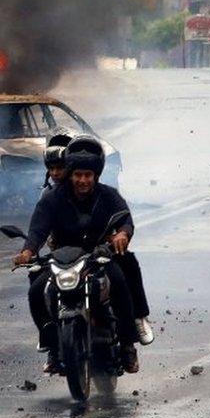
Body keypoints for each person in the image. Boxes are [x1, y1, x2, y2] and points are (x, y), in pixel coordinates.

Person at [14, 136, 146, 374]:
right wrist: (27, 251)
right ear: (70, 174)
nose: (82, 180)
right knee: (36, 290)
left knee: (119, 282)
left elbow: (125, 219)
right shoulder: (53, 198)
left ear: (96, 175)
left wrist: (122, 235)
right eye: (78, 175)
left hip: (99, 256)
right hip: (62, 259)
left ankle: (127, 344)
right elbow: (37, 229)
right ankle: (53, 346)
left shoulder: (109, 195)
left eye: (88, 175)